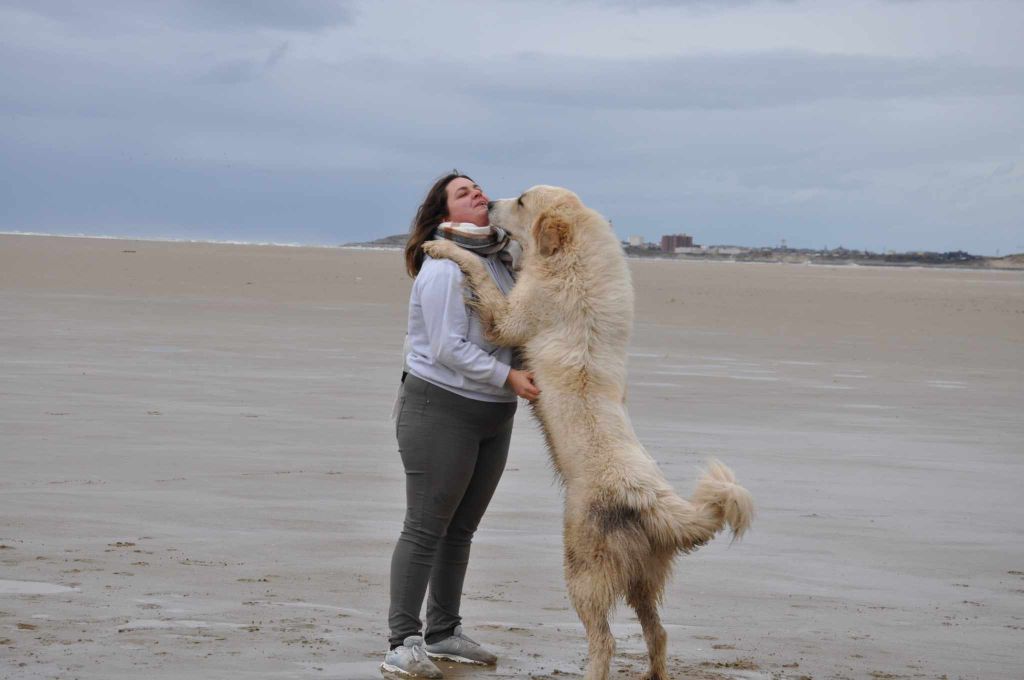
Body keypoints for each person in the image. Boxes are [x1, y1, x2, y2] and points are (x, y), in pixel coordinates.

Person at [382, 172, 540, 678]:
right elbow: (448, 347)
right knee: (426, 528)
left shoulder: (502, 261)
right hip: (439, 409)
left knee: (462, 530)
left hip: (494, 413)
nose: (476, 193)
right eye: (461, 191)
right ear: (444, 214)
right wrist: (508, 375)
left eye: (477, 188)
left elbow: (517, 326)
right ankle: (401, 642)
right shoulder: (444, 267)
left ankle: (444, 632)